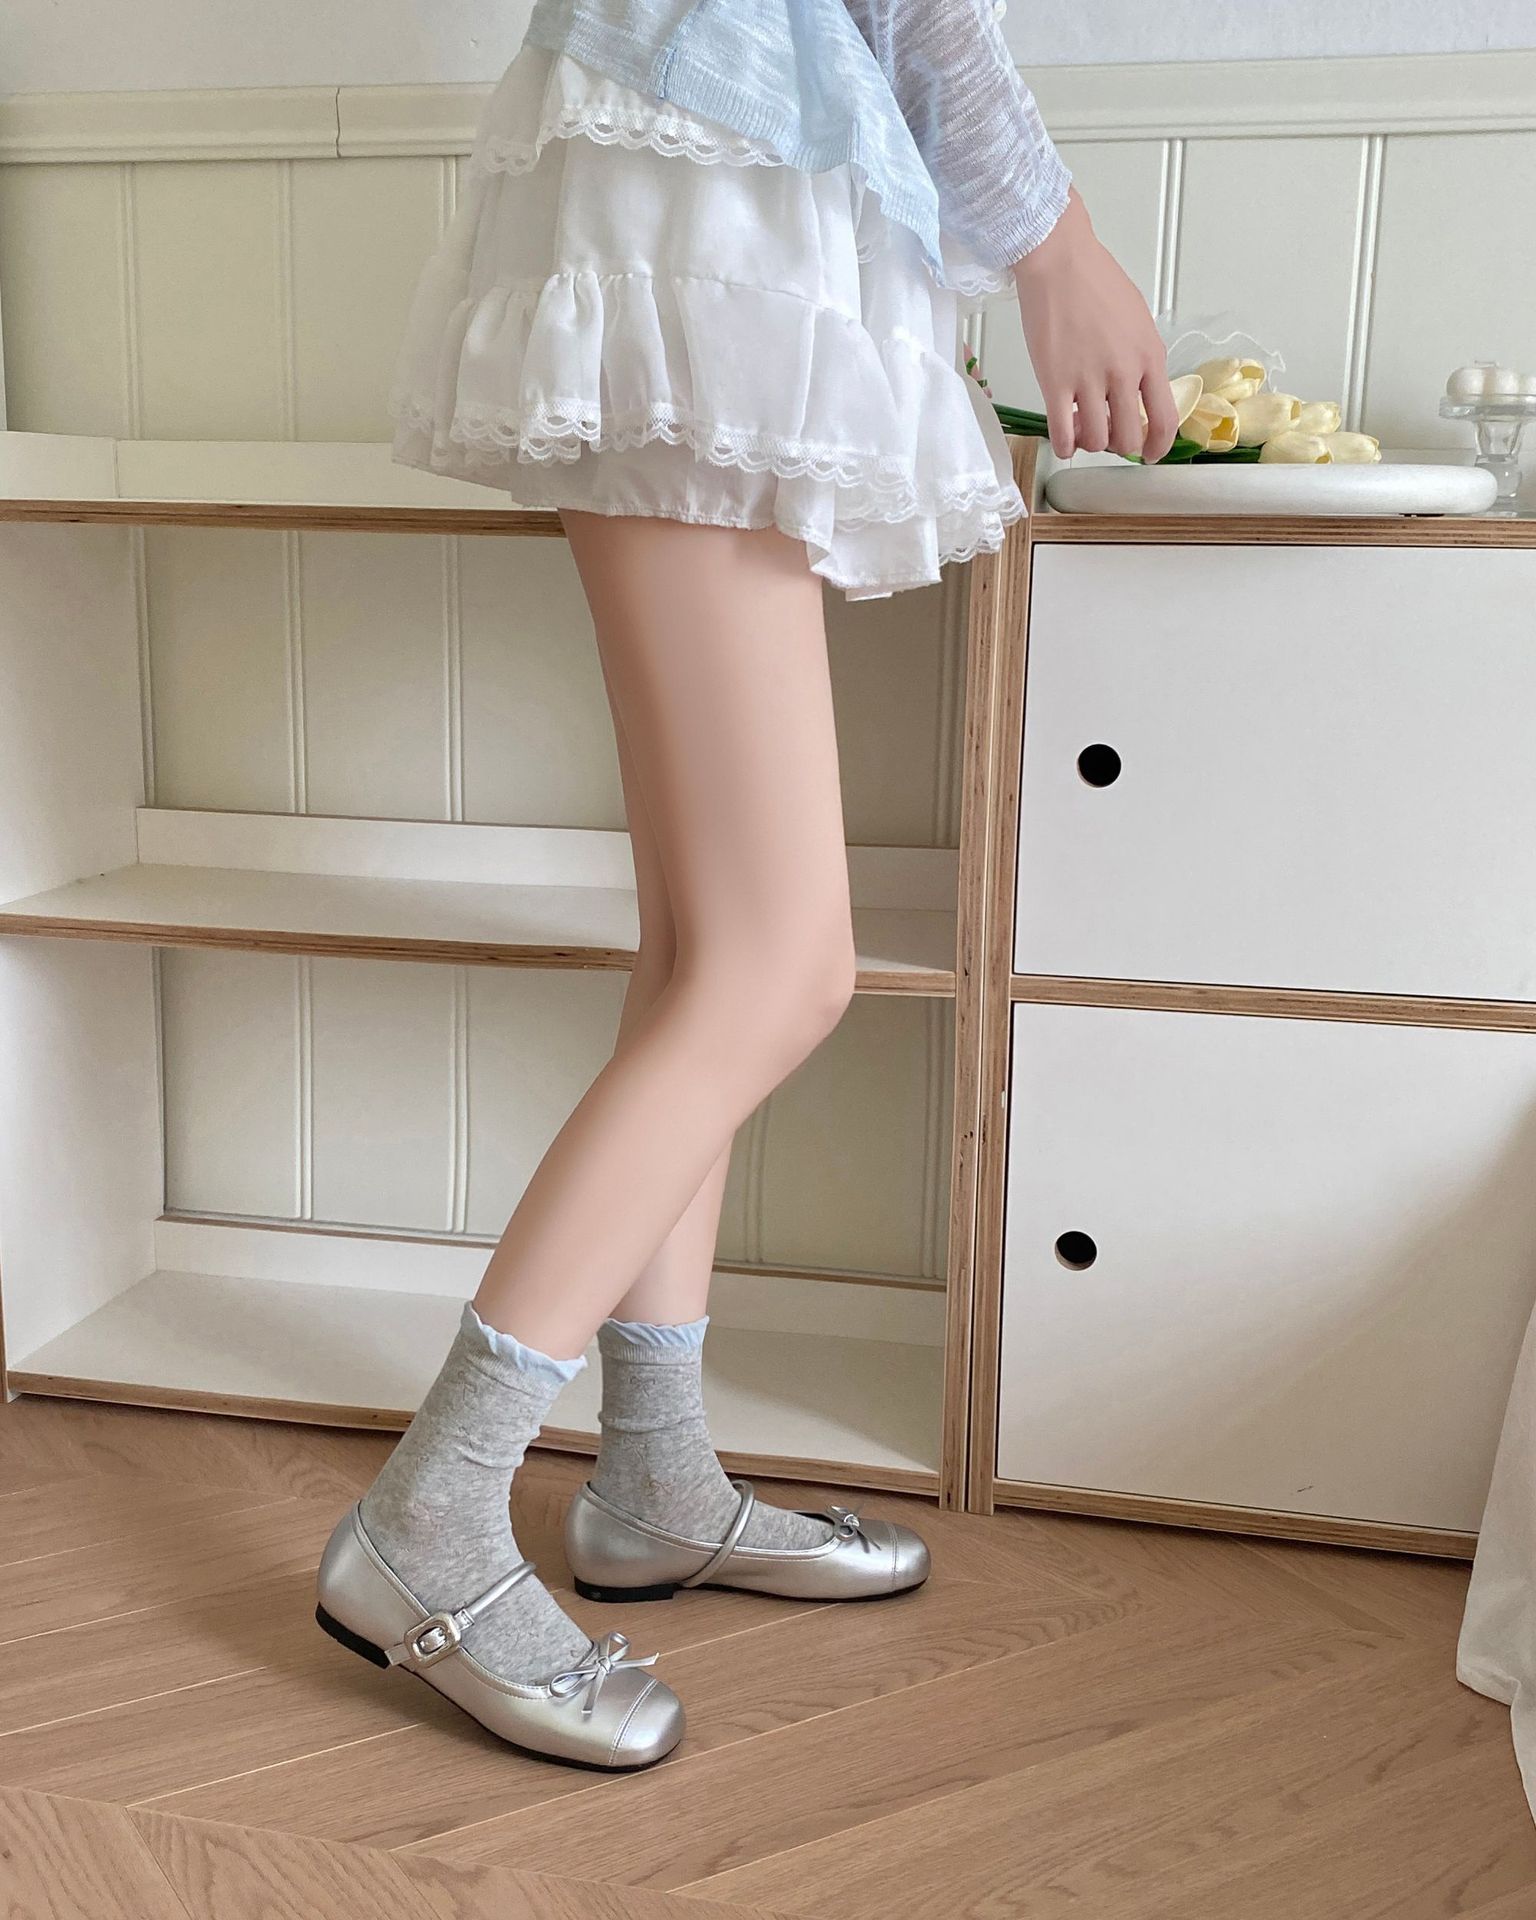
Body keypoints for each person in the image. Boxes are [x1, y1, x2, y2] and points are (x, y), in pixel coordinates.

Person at [315, 0, 1178, 1770]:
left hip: (699, 178)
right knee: (783, 966)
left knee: (710, 948)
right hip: (706, 194)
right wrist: (1061, 246)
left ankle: (651, 1477)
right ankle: (432, 1515)